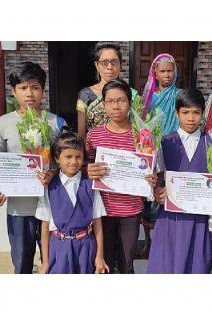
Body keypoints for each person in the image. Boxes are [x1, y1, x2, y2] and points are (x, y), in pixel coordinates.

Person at [0, 61, 67, 274]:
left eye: (35, 87)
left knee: (53, 263)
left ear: (43, 90)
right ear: (14, 91)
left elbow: (68, 161)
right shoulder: (4, 123)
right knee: (22, 263)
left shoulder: (56, 122)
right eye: (23, 88)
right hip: (19, 208)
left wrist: (52, 171)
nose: (29, 93)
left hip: (52, 206)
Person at [86, 79, 157, 273]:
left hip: (131, 210)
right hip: (103, 210)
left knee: (127, 262)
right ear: (104, 104)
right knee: (105, 261)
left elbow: (151, 169)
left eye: (121, 100)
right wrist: (89, 170)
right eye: (110, 101)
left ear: (130, 103)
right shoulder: (94, 135)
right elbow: (86, 165)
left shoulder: (142, 135)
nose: (116, 106)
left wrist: (152, 179)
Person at [147, 89, 212, 274]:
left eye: (196, 112)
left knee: (196, 266)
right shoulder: (164, 142)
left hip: (199, 220)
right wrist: (156, 192)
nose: (191, 118)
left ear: (203, 113)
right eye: (185, 112)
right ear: (177, 112)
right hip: (171, 218)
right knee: (167, 266)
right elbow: (156, 177)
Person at [36, 128, 108, 274]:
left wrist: (99, 256)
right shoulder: (49, 186)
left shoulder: (91, 185)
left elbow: (97, 224)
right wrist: (45, 261)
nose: (73, 162)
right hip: (59, 247)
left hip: (86, 246)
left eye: (78, 157)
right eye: (68, 157)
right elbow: (44, 227)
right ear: (57, 158)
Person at [138, 53, 182, 257]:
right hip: (153, 151)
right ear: (154, 73)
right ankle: (148, 241)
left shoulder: (179, 95)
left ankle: (166, 240)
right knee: (150, 198)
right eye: (162, 71)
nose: (167, 75)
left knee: (168, 195)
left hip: (174, 149)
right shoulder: (148, 97)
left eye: (170, 70)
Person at [76, 42, 138, 139]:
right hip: (95, 150)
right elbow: (81, 134)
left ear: (120, 65)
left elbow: (138, 128)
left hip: (125, 150)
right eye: (105, 62)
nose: (110, 67)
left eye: (114, 62)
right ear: (97, 65)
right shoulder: (85, 95)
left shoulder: (131, 94)